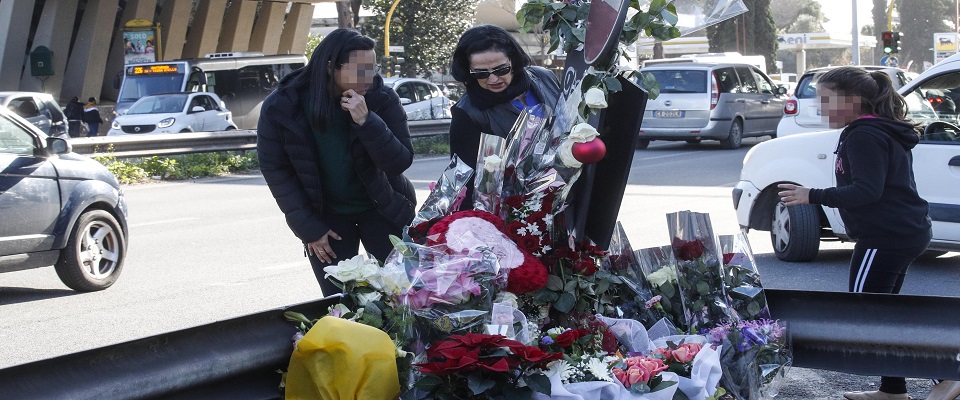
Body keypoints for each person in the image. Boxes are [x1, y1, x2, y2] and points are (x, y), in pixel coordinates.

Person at [776, 66, 932, 400]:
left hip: (886, 237)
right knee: (879, 315)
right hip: (902, 232)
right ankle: (894, 391)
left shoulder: (865, 135)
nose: (820, 108)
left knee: (864, 314)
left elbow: (867, 191)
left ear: (854, 101)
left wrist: (811, 195)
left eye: (826, 100)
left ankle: (941, 375)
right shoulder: (875, 130)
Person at [256, 28, 416, 297]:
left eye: (372, 68)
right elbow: (276, 170)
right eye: (360, 69)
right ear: (331, 67)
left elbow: (398, 162)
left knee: (402, 296)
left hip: (384, 208)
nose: (369, 77)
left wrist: (367, 122)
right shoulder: (283, 106)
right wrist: (309, 229)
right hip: (326, 220)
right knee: (342, 303)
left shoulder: (380, 97)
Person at [447, 24, 561, 209]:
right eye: (481, 73)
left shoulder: (544, 77)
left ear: (513, 61)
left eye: (500, 70)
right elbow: (465, 182)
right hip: (519, 211)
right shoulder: (467, 112)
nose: (493, 79)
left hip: (569, 194)